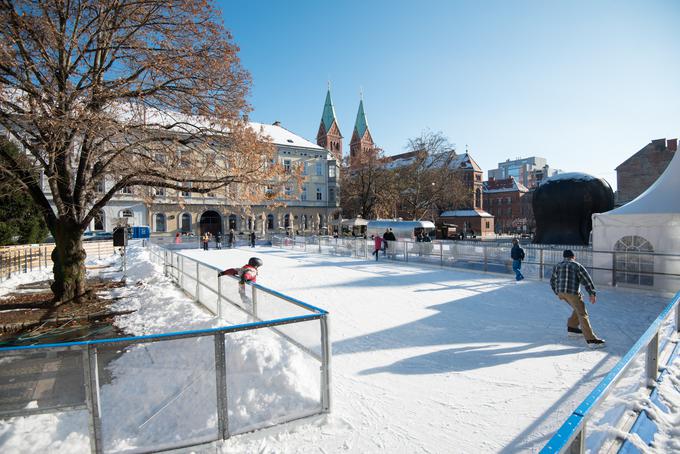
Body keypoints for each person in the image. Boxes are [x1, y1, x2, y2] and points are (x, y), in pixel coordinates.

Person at [550, 250, 605, 348]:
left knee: (578, 307)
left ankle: (572, 327)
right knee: (582, 313)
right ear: (573, 256)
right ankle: (591, 339)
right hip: (571, 293)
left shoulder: (558, 265)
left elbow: (553, 280)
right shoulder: (577, 266)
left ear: (564, 257)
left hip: (561, 292)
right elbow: (586, 280)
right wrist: (592, 293)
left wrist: (557, 291)